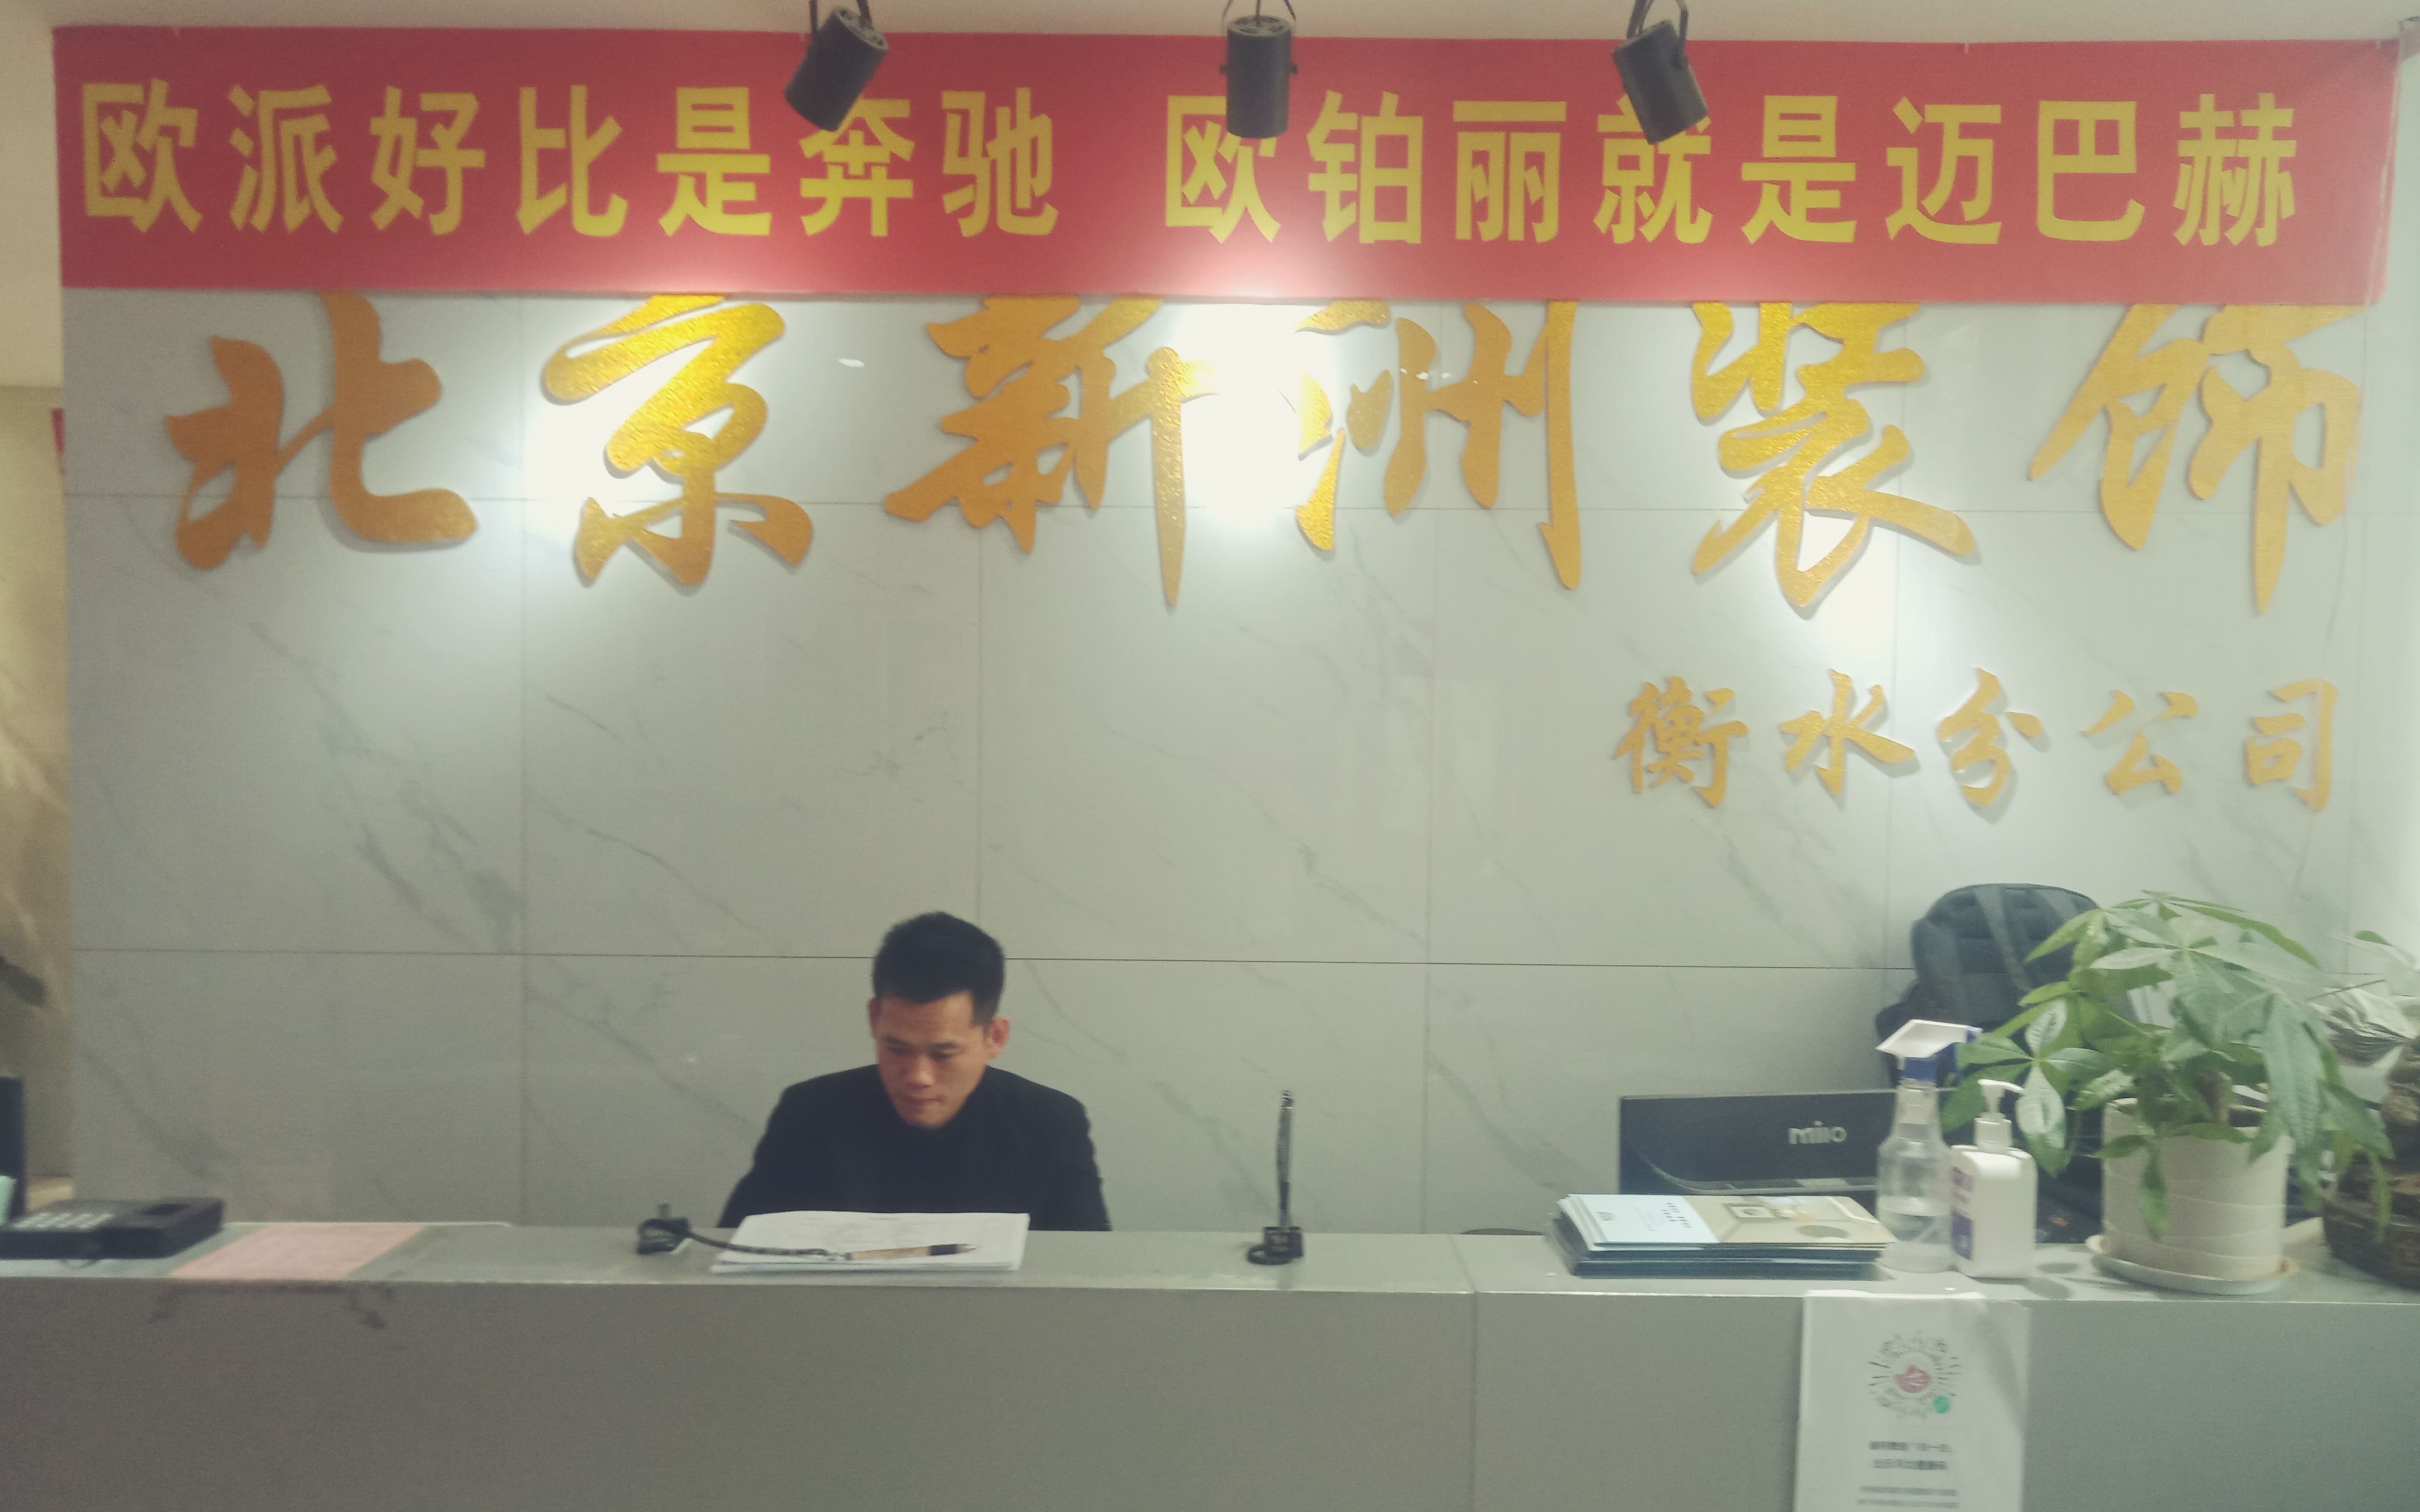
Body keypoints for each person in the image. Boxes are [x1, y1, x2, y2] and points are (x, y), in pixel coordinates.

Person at [720, 912, 1110, 1230]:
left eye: (943, 1054)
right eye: (897, 1049)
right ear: (874, 1019)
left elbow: (1087, 1276)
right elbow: (733, 1256)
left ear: (994, 1037)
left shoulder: (1051, 1124)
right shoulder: (808, 1114)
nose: (918, 1076)